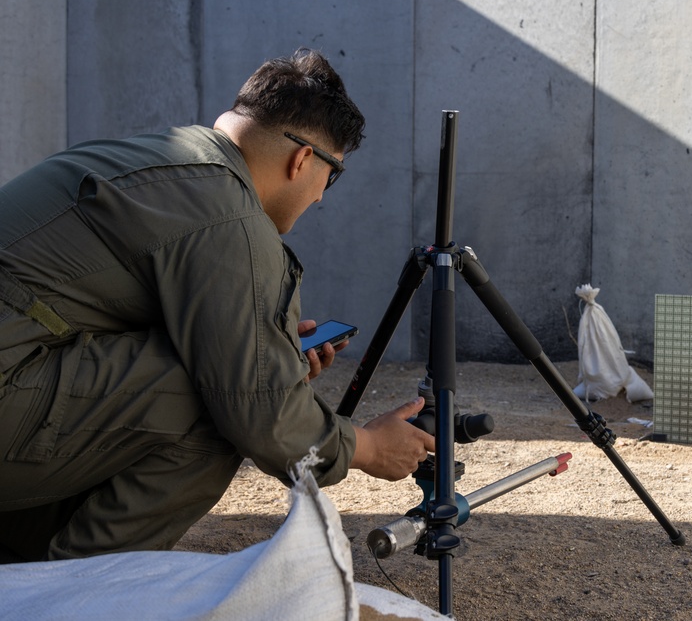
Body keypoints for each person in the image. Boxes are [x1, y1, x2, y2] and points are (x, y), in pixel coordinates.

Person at [0, 48, 435, 563]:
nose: (320, 196)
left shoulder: (165, 159)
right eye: (331, 175)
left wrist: (269, 350)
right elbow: (257, 408)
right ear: (302, 160)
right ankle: (73, 594)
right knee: (220, 401)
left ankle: (21, 571)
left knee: (225, 375)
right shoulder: (228, 216)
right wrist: (365, 446)